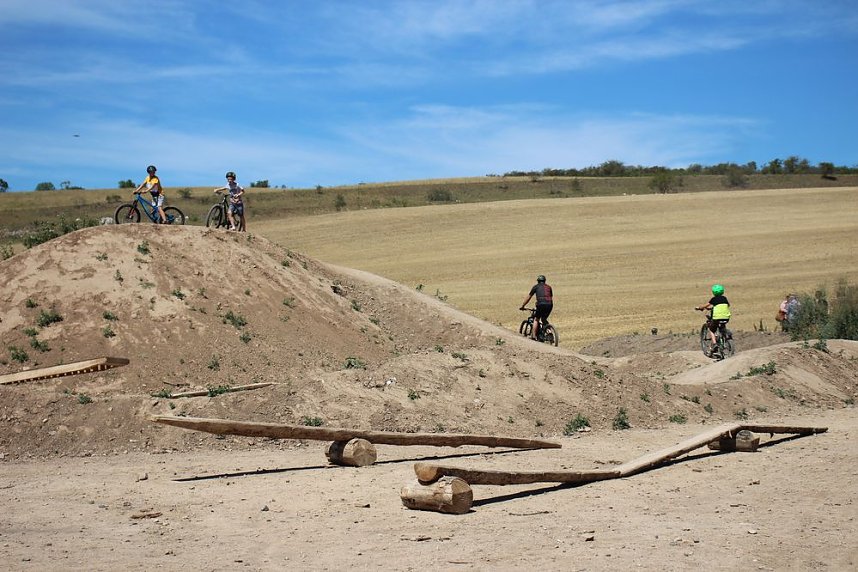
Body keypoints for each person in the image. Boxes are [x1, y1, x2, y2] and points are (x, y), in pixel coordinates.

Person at [695, 284, 731, 356]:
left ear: (713, 292)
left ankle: (714, 344)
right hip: (726, 317)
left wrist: (699, 308)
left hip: (717, 318)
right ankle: (725, 337)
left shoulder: (714, 299)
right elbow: (728, 305)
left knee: (712, 330)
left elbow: (706, 305)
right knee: (722, 326)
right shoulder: (724, 298)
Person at [520, 274, 553, 341]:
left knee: (536, 319)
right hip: (549, 304)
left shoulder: (536, 287)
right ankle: (549, 332)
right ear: (544, 281)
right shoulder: (549, 287)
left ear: (538, 281)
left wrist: (523, 306)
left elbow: (529, 297)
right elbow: (550, 296)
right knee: (543, 319)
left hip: (540, 304)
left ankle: (534, 336)